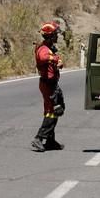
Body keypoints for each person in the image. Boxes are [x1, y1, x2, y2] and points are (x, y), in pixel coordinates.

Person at [31, 22, 66, 152]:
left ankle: (50, 141)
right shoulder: (43, 49)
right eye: (56, 34)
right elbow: (43, 57)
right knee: (52, 112)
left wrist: (58, 63)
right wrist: (56, 59)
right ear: (51, 36)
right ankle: (39, 138)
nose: (57, 36)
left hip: (52, 83)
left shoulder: (50, 47)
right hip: (48, 84)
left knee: (56, 110)